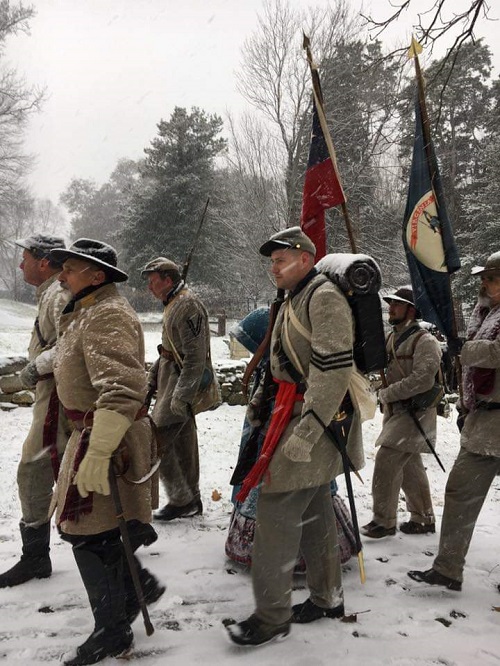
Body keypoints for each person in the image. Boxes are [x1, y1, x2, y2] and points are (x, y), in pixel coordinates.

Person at [226, 227, 363, 647]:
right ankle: (327, 598)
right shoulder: (294, 297)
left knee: (276, 514)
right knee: (315, 510)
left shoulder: (322, 298)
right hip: (295, 411)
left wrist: (306, 432)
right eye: (271, 261)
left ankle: (271, 616)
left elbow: (332, 371)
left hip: (316, 419)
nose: (274, 268)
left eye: (281, 260)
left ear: (305, 258)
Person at [48, 239, 164, 666]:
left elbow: (122, 388)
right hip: (93, 433)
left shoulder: (106, 314)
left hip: (107, 438)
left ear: (96, 275)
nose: (61, 275)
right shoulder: (88, 310)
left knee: (87, 536)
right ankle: (137, 589)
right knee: (90, 534)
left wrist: (98, 452)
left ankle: (113, 632)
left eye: (70, 269)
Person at [408, 252, 500, 592]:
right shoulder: (484, 315)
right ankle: (448, 569)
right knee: (460, 492)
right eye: (484, 278)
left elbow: (496, 353)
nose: (484, 284)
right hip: (482, 423)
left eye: (490, 278)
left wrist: (465, 348)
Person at [0, 234, 71, 588]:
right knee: (57, 473)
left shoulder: (57, 296)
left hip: (58, 400)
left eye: (25, 258)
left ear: (44, 262)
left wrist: (35, 367)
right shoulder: (51, 294)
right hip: (50, 399)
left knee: (36, 469)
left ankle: (38, 557)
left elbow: (69, 345)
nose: (19, 264)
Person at [141, 256, 219, 521]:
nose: (150, 287)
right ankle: (191, 498)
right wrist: (152, 379)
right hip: (170, 383)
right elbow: (167, 351)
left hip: (179, 386)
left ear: (168, 280)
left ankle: (181, 498)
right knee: (184, 444)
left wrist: (182, 395)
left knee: (157, 440)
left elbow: (196, 357)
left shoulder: (187, 306)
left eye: (153, 281)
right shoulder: (173, 303)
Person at [361, 286, 442, 539]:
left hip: (415, 412)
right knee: (410, 466)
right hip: (396, 412)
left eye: (397, 304)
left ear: (411, 310)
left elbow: (423, 380)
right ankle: (423, 518)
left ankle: (383, 521)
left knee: (386, 459)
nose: (391, 308)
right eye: (390, 304)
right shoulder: (390, 338)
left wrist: (387, 393)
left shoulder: (425, 341)